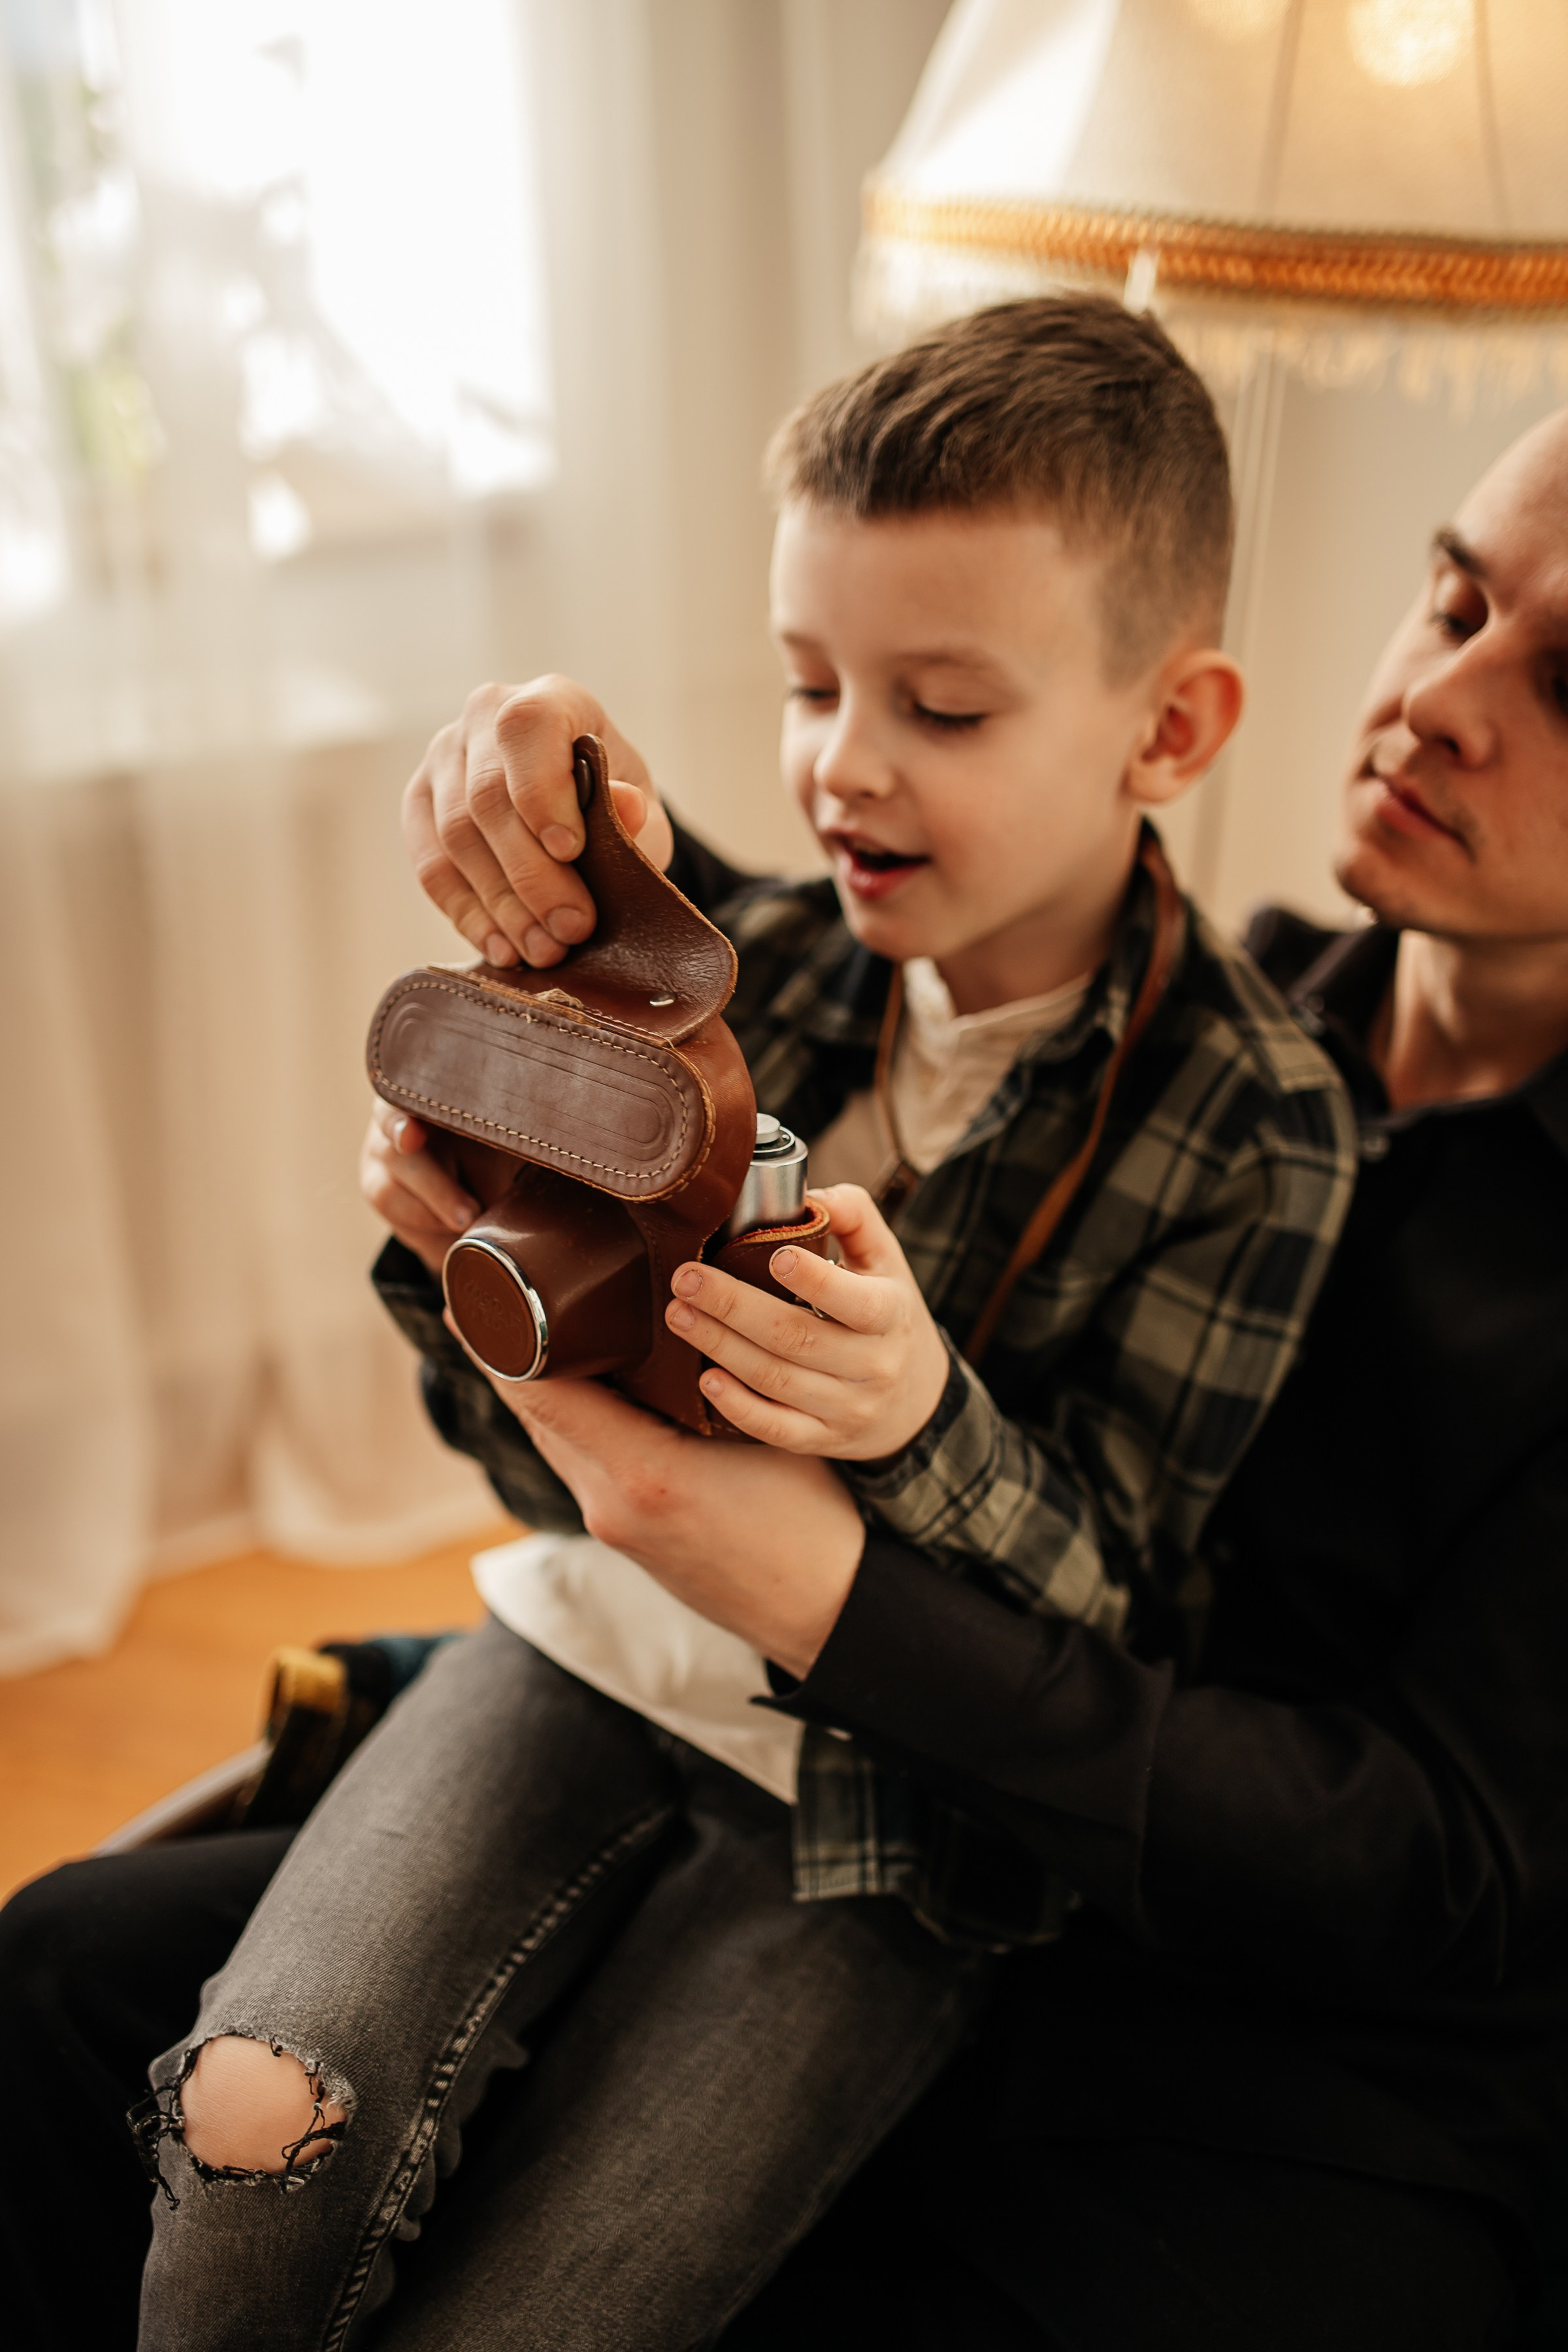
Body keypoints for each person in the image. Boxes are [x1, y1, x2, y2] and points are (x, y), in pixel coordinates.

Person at [0, 299, 1358, 2351]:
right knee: (261, 2156)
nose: (839, 766)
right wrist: (464, 1237)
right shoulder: (754, 974)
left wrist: (923, 1421)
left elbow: (1126, 1627)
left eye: (945, 708)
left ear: (1168, 730)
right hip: (586, 1663)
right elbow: (529, 1458)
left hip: (907, 1835)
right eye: (811, 683)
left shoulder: (1260, 1126)